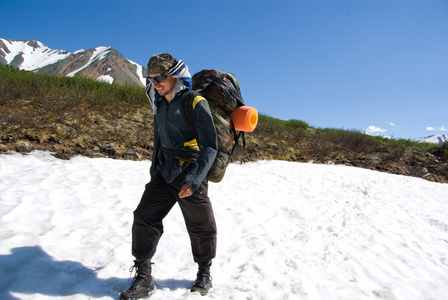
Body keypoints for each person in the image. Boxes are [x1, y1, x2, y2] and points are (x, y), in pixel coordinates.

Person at [119, 53, 218, 300]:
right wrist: (155, 170)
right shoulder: (159, 101)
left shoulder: (194, 102)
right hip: (164, 172)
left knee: (200, 225)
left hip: (189, 172)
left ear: (174, 76)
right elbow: (159, 140)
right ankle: (144, 278)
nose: (155, 83)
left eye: (160, 77)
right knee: (144, 217)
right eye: (150, 78)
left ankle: (204, 273)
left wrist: (194, 180)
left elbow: (210, 146)